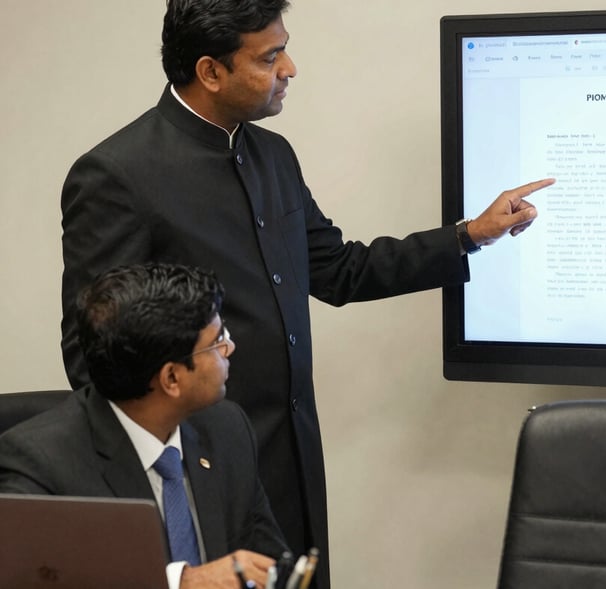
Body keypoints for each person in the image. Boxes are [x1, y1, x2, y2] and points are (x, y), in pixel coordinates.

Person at [59, 1, 555, 587]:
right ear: (211, 71)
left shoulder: (272, 156)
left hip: (293, 455)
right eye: (270, 57)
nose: (290, 68)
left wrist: (469, 235)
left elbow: (339, 270)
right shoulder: (117, 174)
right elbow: (92, 356)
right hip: (200, 474)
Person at [1, 263, 288, 589]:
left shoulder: (227, 429)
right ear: (171, 378)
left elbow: (273, 566)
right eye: (217, 340)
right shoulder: (39, 466)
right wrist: (181, 583)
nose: (229, 348)